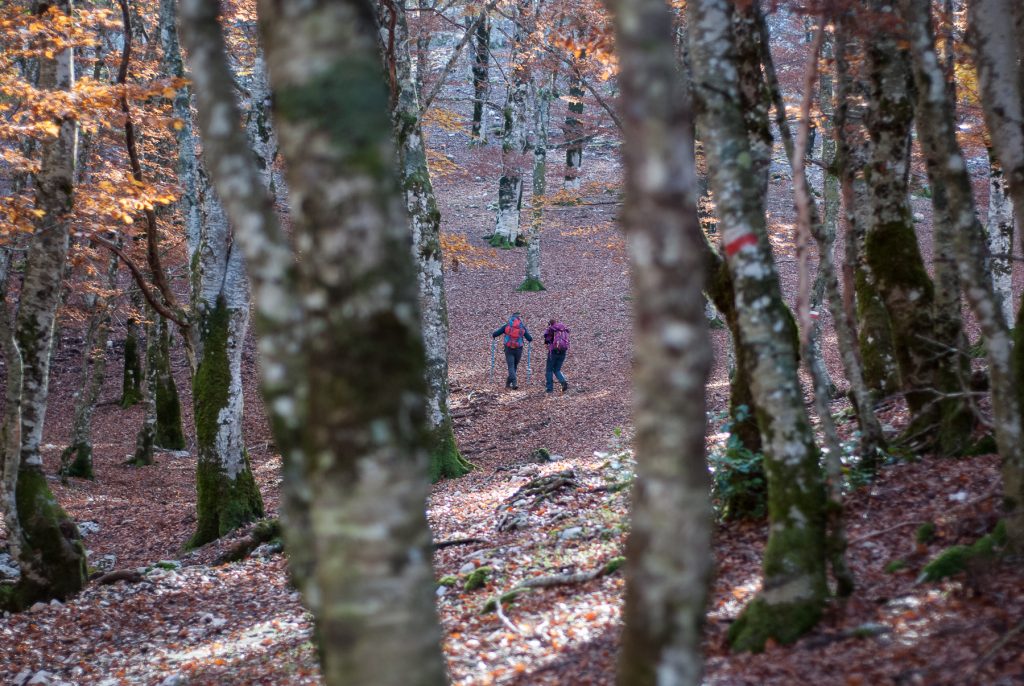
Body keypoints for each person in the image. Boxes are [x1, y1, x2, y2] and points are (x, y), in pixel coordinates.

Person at [492, 311, 532, 389]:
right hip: (518, 349)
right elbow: (529, 338)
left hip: (509, 349)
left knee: (511, 366)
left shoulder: (507, 325)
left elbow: (496, 333)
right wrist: (529, 338)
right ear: (519, 318)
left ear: (512, 317)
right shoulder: (522, 327)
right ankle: (513, 383)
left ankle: (510, 383)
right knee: (514, 366)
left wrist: (493, 335)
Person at [543, 319, 570, 394]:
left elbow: (547, 340)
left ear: (550, 324)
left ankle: (549, 389)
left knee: (549, 370)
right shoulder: (564, 329)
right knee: (557, 369)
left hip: (554, 352)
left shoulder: (551, 329)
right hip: (563, 351)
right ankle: (563, 381)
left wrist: (547, 344)